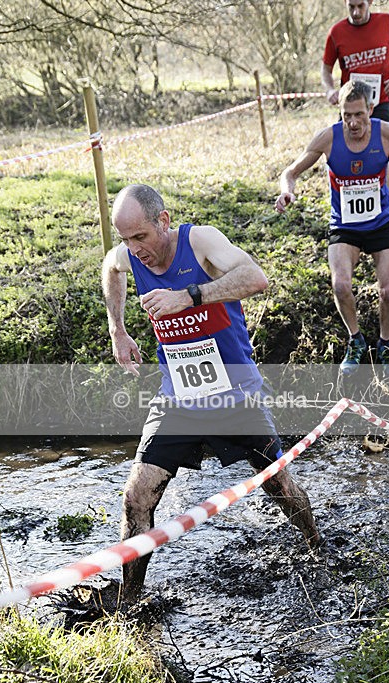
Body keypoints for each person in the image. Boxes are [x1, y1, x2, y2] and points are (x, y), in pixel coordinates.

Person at [102, 184, 319, 603]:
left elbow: (256, 278)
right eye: (125, 239)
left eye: (140, 237)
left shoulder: (199, 241)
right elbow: (109, 267)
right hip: (179, 398)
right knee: (137, 495)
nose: (134, 249)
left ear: (162, 221)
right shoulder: (129, 255)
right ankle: (129, 603)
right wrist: (118, 328)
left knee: (279, 487)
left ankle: (316, 548)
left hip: (234, 394)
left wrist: (189, 296)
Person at [275, 80, 389, 377]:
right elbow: (290, 171)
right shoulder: (328, 139)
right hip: (345, 225)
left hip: (380, 223)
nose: (353, 123)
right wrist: (286, 190)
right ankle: (356, 341)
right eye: (346, 116)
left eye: (359, 115)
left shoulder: (387, 134)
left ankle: (385, 343)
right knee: (340, 285)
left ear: (370, 108)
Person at [320, 0, 389, 222]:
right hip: (351, 108)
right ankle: (345, 214)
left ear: (370, 2)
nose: (356, 11)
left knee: (383, 157)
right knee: (339, 156)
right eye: (351, 6)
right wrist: (330, 90)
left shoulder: (388, 22)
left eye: (361, 5)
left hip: (379, 102)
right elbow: (325, 68)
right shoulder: (337, 32)